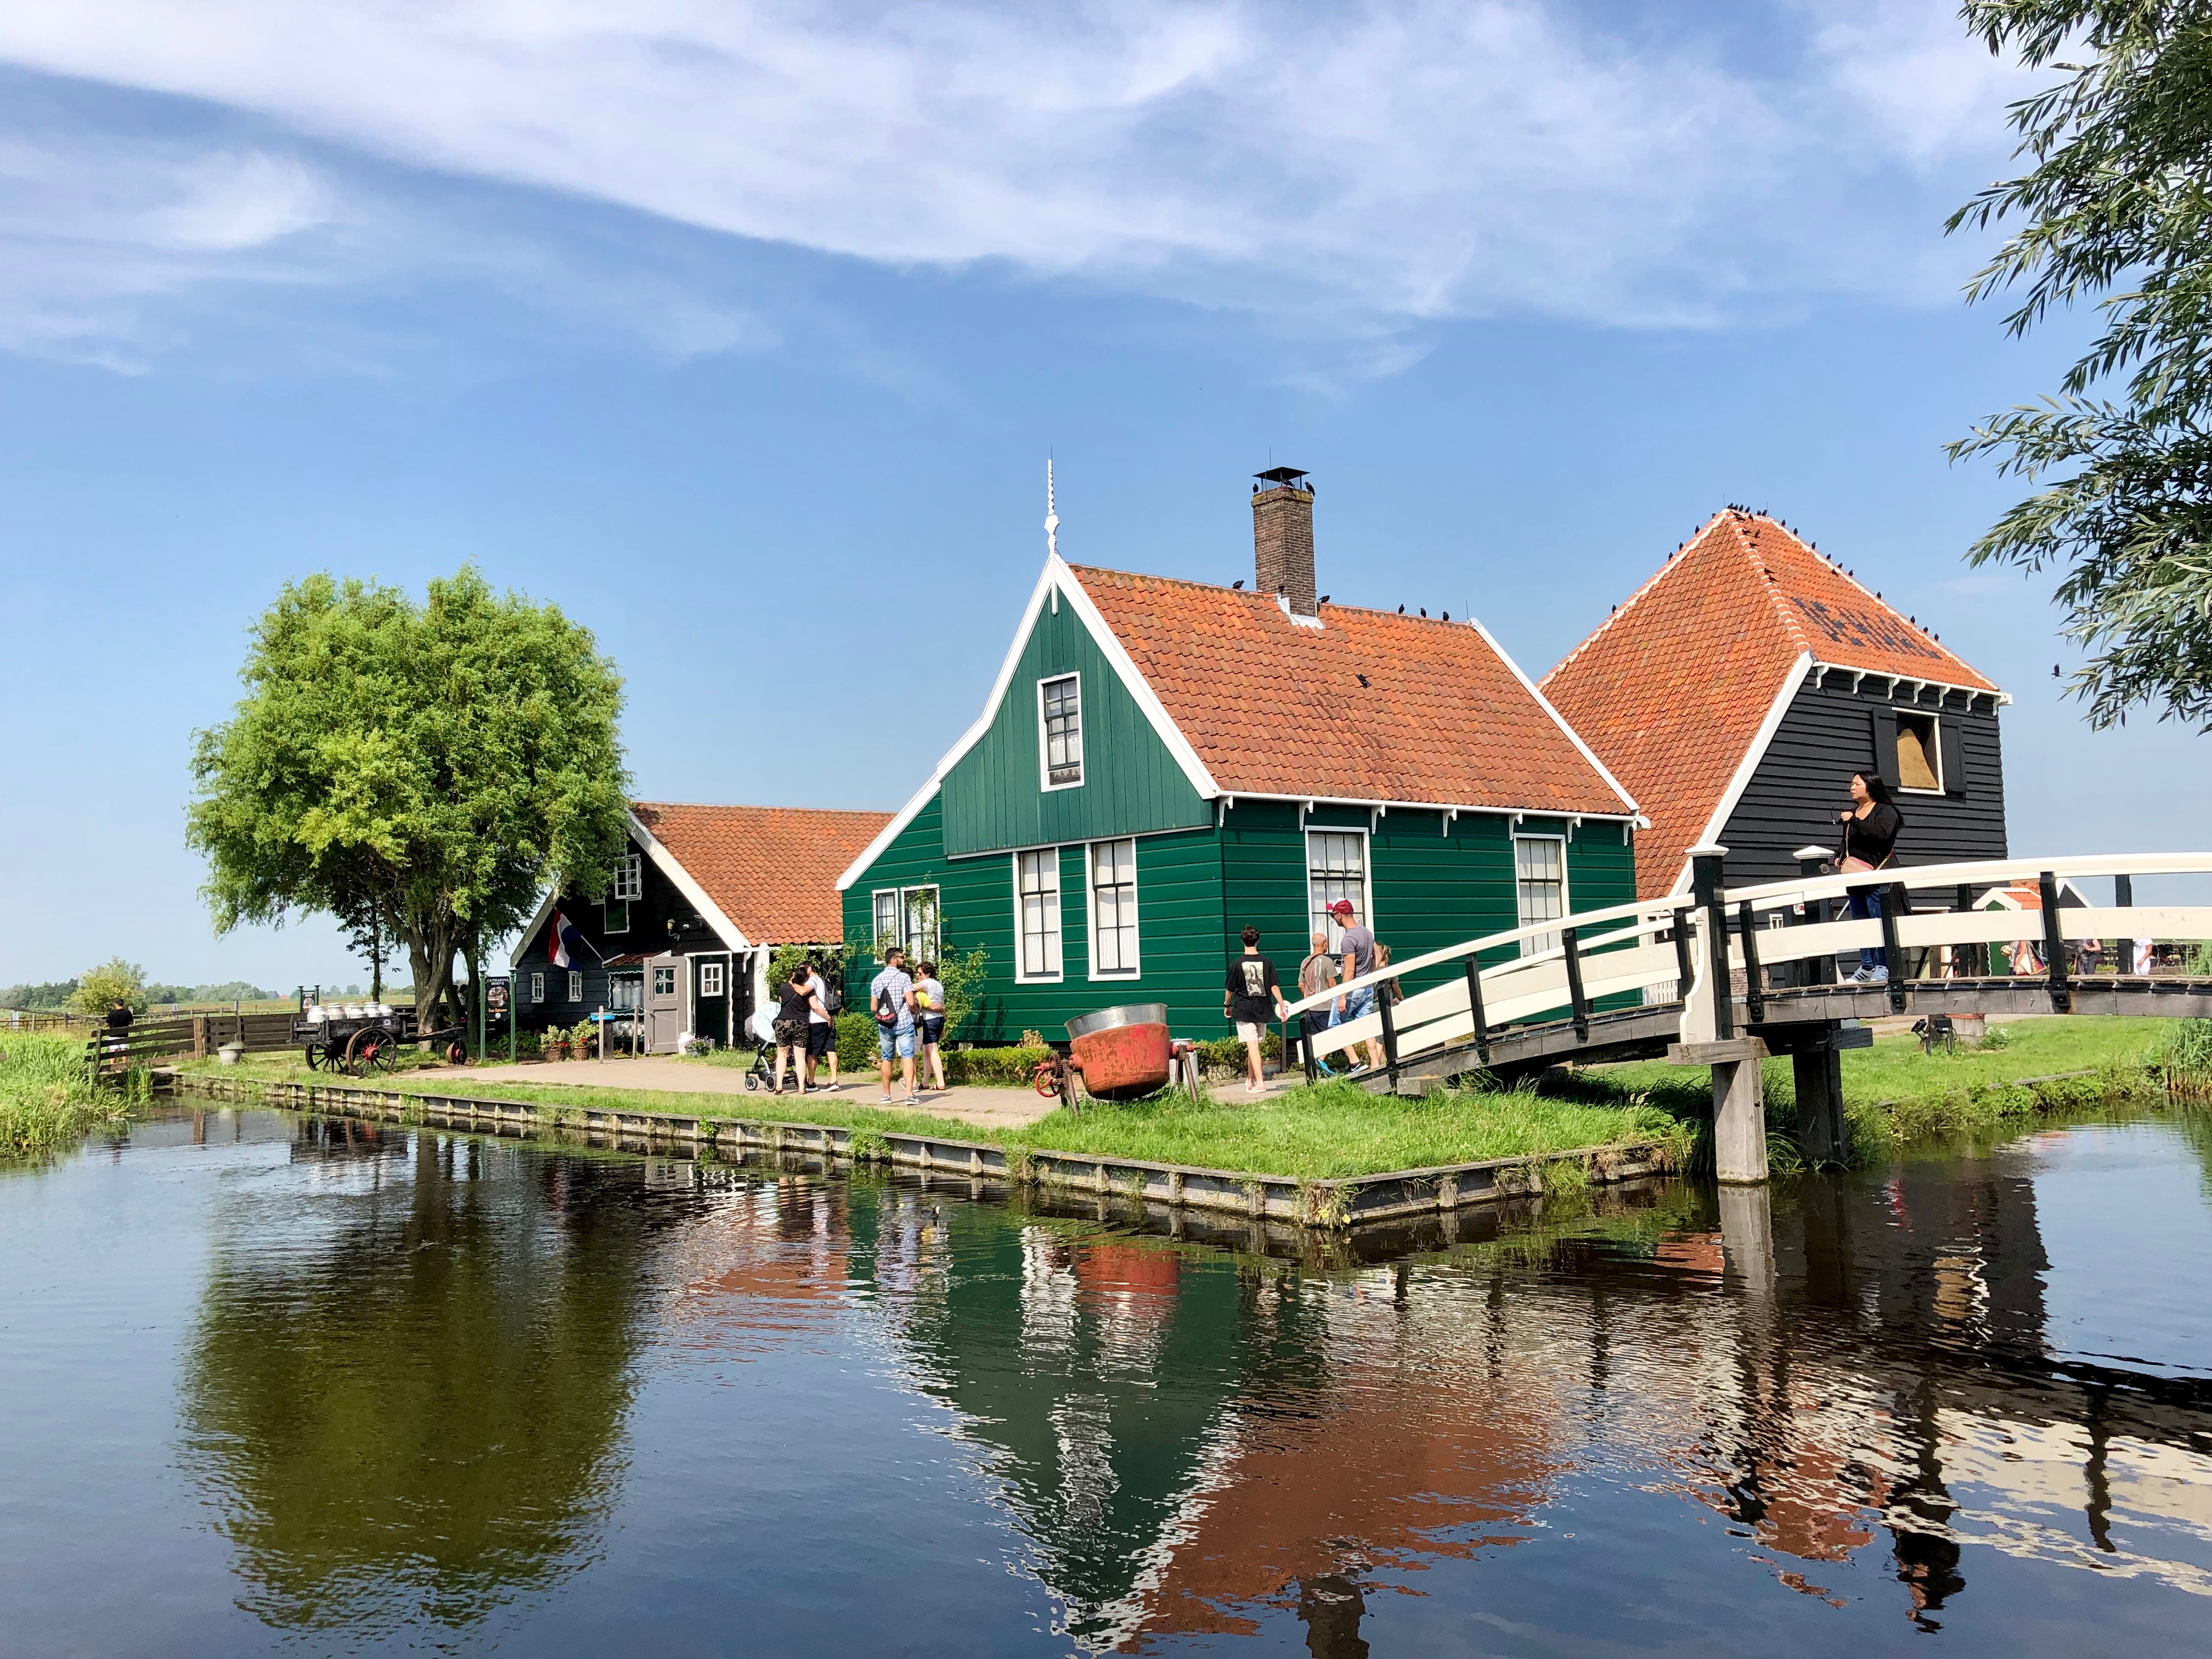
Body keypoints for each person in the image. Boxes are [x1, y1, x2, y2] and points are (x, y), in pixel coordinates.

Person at [1835, 771, 1905, 984]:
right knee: (1860, 922)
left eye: (1857, 784)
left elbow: (1881, 835)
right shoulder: (1853, 813)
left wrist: (1854, 821)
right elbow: (1848, 841)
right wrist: (1838, 855)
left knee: (1878, 919)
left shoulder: (1886, 811)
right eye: (1851, 784)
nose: (1852, 787)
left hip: (1876, 876)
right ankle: (1867, 966)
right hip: (1856, 877)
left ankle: (1883, 966)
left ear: (1870, 786)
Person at [1223, 926, 1288, 1095]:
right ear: (1257, 941)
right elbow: (1274, 986)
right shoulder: (1267, 963)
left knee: (1252, 1047)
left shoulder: (1236, 964)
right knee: (1254, 1047)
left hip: (1244, 1009)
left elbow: (1230, 990)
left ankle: (1260, 1083)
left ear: (1242, 941)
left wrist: (1227, 1006)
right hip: (1263, 1008)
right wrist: (1282, 1006)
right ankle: (1251, 1081)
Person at [1325, 898, 1386, 1075]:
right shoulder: (1366, 933)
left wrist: (1342, 996)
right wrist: (1371, 975)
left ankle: (1355, 1062)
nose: (1333, 918)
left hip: (1353, 988)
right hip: (1367, 987)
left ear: (1340, 915)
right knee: (1367, 1027)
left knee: (1335, 1024)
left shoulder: (1348, 939)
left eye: (1333, 915)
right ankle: (1376, 1064)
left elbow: (1350, 970)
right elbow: (1378, 955)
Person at [870, 946, 919, 1105]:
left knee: (886, 1058)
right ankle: (909, 1095)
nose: (904, 960)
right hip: (904, 1023)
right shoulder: (904, 978)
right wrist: (914, 1010)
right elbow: (911, 1001)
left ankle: (886, 1095)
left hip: (885, 1025)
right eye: (902, 957)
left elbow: (873, 1007)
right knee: (907, 1057)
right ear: (893, 960)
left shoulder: (876, 980)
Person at [770, 967, 823, 1095]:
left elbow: (782, 1004)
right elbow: (814, 1005)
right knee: (800, 1057)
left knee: (782, 1055)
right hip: (801, 1023)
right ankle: (801, 1088)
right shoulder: (808, 991)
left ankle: (779, 1085)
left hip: (783, 1022)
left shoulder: (784, 988)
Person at [1296, 932, 1340, 1077]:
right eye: (1327, 942)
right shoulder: (1327, 962)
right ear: (1323, 944)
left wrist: (1307, 997)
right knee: (1330, 1034)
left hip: (1310, 1006)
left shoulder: (1305, 962)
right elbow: (1332, 983)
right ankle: (1321, 1061)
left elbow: (1301, 985)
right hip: (1325, 1006)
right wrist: (1339, 998)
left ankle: (1315, 1068)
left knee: (1314, 1037)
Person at [803, 958, 840, 1091]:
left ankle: (811, 1082)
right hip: (827, 1019)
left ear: (809, 969)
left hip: (817, 1020)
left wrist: (793, 984)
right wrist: (829, 1017)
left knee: (813, 1052)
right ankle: (834, 1079)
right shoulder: (822, 980)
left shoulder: (811, 981)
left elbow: (808, 996)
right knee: (830, 1049)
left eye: (803, 969)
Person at [913, 961, 948, 1092]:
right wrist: (944, 1023)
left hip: (929, 1019)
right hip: (939, 1019)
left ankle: (940, 1082)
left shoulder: (927, 983)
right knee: (927, 1052)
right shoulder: (939, 985)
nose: (918, 976)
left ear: (927, 974)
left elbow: (909, 988)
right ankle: (926, 1081)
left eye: (920, 973)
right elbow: (943, 1004)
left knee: (933, 1050)